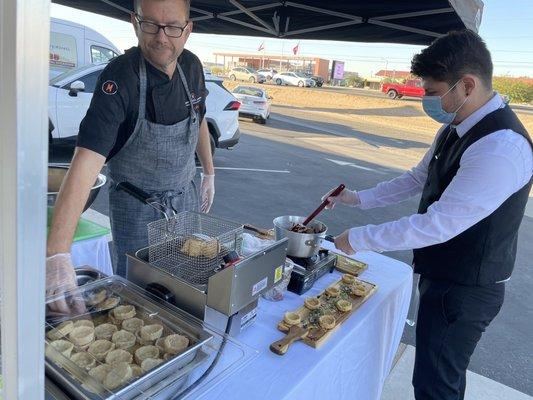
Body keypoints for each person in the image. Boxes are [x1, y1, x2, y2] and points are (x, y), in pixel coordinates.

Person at [323, 30, 532, 400]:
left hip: (467, 288)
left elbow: (438, 224)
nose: (428, 100)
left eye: (434, 92)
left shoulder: (501, 147)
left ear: (467, 85)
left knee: (436, 384)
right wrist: (356, 199)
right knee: (437, 375)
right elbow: (419, 178)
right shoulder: (456, 127)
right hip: (443, 274)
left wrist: (356, 239)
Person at [46, 0, 215, 313]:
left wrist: (209, 173)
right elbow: (86, 160)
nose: (162, 37)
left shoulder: (191, 67)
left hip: (185, 200)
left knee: (187, 288)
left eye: (173, 27)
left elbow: (200, 118)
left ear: (187, 30)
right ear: (135, 23)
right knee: (138, 301)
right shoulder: (119, 77)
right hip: (137, 211)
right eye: (150, 24)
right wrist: (57, 254)